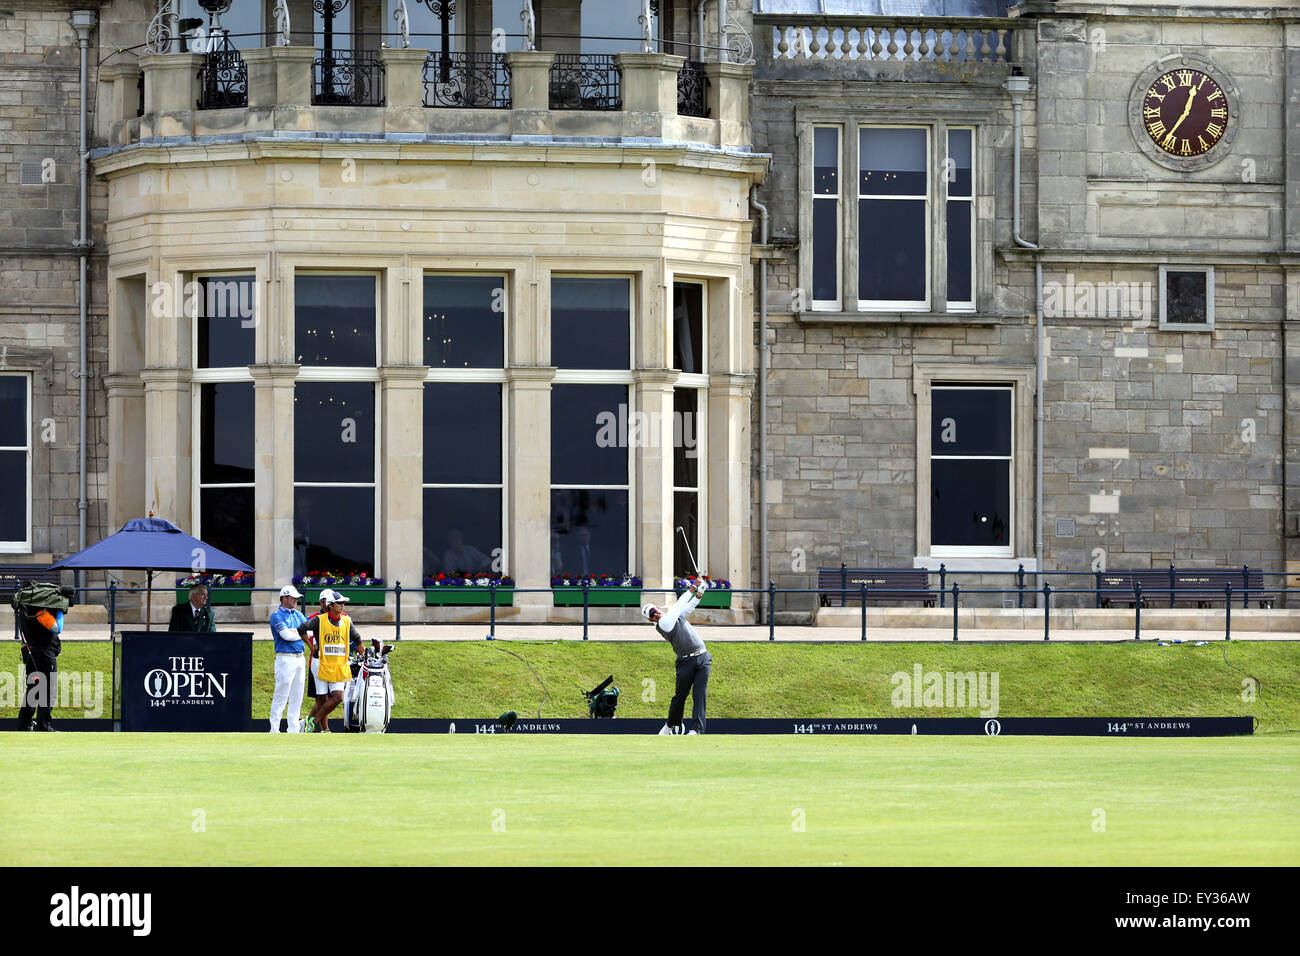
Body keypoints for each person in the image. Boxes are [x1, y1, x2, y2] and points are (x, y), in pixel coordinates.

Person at [641, 578, 711, 735]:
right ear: (651, 620)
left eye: (654, 609)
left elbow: (687, 607)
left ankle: (696, 730)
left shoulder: (672, 616)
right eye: (652, 614)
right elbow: (679, 606)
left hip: (703, 657)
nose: (656, 613)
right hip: (686, 661)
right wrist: (694, 587)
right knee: (680, 696)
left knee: (700, 694)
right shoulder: (664, 623)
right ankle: (670, 725)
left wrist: (700, 594)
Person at [297, 590, 363, 733]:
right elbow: (301, 628)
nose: (342, 605)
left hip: (339, 664)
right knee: (321, 699)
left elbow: (356, 638)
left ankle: (312, 722)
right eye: (339, 603)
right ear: (330, 605)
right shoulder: (318, 619)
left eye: (343, 603)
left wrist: (363, 652)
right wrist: (311, 646)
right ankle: (325, 729)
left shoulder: (346, 619)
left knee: (338, 697)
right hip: (320, 663)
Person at [15, 583, 74, 731]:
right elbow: (57, 628)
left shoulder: (24, 610)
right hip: (44, 655)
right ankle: (43, 725)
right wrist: (60, 610)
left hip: (29, 653)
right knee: (48, 689)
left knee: (34, 689)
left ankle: (24, 724)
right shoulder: (40, 611)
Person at [268, 585, 308, 733]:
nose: (296, 600)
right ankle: (274, 728)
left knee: (297, 694)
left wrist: (296, 632)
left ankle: (293, 728)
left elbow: (309, 632)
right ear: (284, 598)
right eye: (293, 597)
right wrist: (300, 633)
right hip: (285, 658)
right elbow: (286, 636)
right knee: (281, 693)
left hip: (299, 658)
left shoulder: (298, 615)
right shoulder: (276, 615)